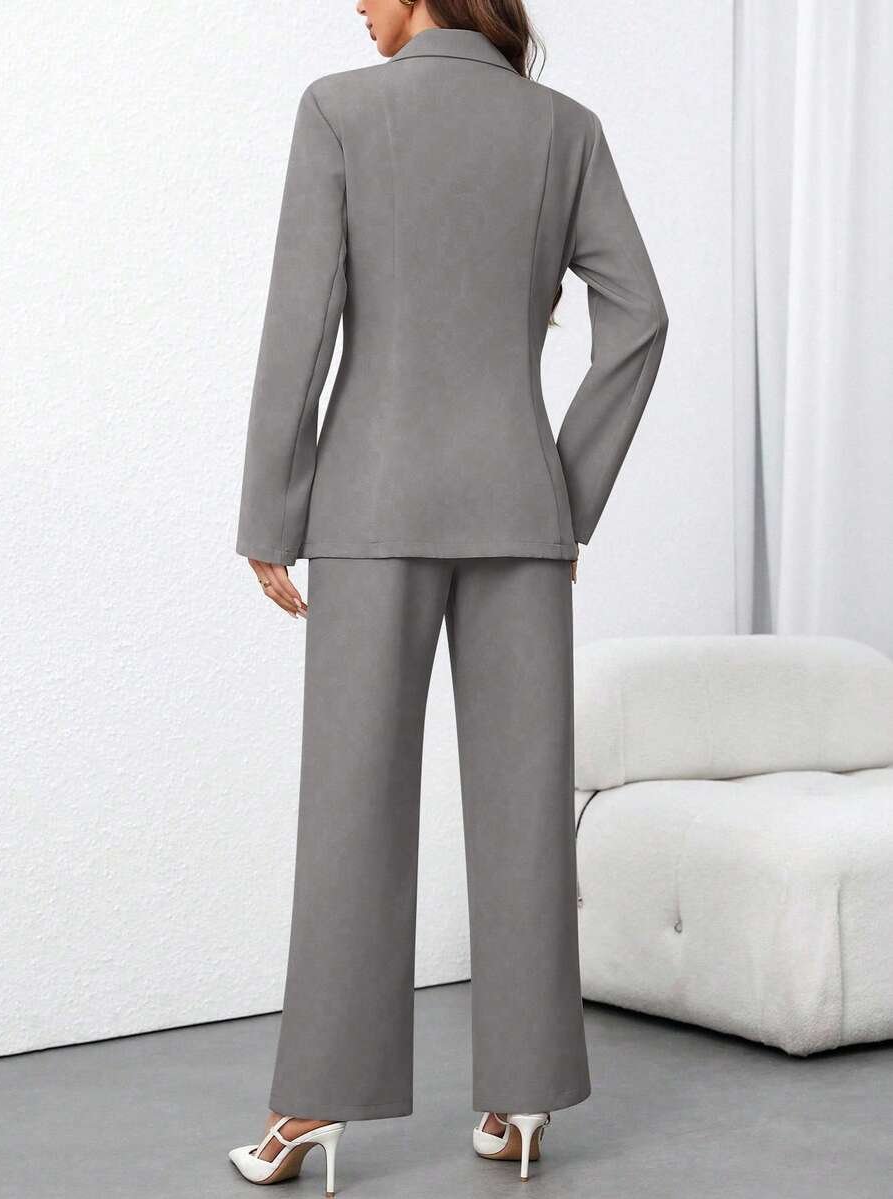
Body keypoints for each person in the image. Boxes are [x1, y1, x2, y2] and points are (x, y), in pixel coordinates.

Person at [229, 0, 668, 1191]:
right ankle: (522, 1099)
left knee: (351, 806)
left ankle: (310, 1107)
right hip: (520, 504)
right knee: (526, 808)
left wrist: (271, 509)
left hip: (368, 507)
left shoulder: (340, 111)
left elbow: (301, 325)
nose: (353, 3)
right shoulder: (563, 128)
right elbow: (640, 317)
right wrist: (567, 493)